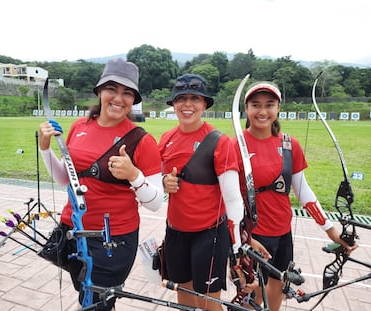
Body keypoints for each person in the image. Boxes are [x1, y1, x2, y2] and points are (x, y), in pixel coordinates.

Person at [39, 58, 164, 310]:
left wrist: (133, 175)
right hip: (73, 230)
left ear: (133, 100)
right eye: (112, 90)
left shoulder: (142, 140)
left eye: (127, 93)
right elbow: (66, 178)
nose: (118, 98)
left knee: (98, 302)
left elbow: (156, 203)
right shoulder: (79, 127)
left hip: (112, 240)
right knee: (86, 296)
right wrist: (44, 148)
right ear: (100, 92)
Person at [232, 81, 358, 311]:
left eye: (269, 104)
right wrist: (244, 239)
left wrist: (330, 229)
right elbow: (227, 199)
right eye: (255, 105)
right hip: (254, 234)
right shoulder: (234, 146)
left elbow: (303, 191)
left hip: (282, 231)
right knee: (253, 292)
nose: (262, 111)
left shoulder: (290, 145)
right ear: (246, 109)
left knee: (280, 282)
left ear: (278, 108)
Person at [159, 73, 260, 311]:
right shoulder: (166, 139)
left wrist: (236, 245)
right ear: (173, 103)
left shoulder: (219, 141)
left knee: (208, 301)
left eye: (195, 98)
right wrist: (164, 182)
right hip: (175, 232)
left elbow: (233, 197)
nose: (187, 105)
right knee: (183, 294)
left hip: (209, 234)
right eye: (181, 98)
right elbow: (156, 182)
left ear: (204, 104)